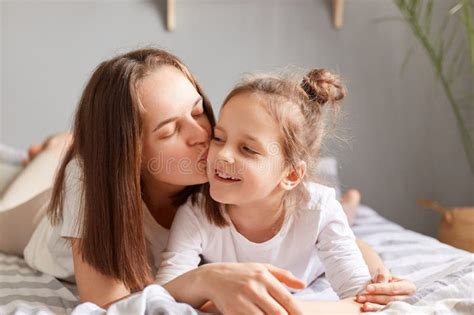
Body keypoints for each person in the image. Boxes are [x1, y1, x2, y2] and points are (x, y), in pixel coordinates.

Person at [0, 48, 415, 313]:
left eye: (198, 110)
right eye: (168, 131)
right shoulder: (89, 184)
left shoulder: (216, 169)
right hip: (34, 222)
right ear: (130, 156)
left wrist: (378, 277)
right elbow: (106, 301)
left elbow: (321, 231)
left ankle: (351, 203)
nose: (203, 135)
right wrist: (203, 280)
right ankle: (59, 147)